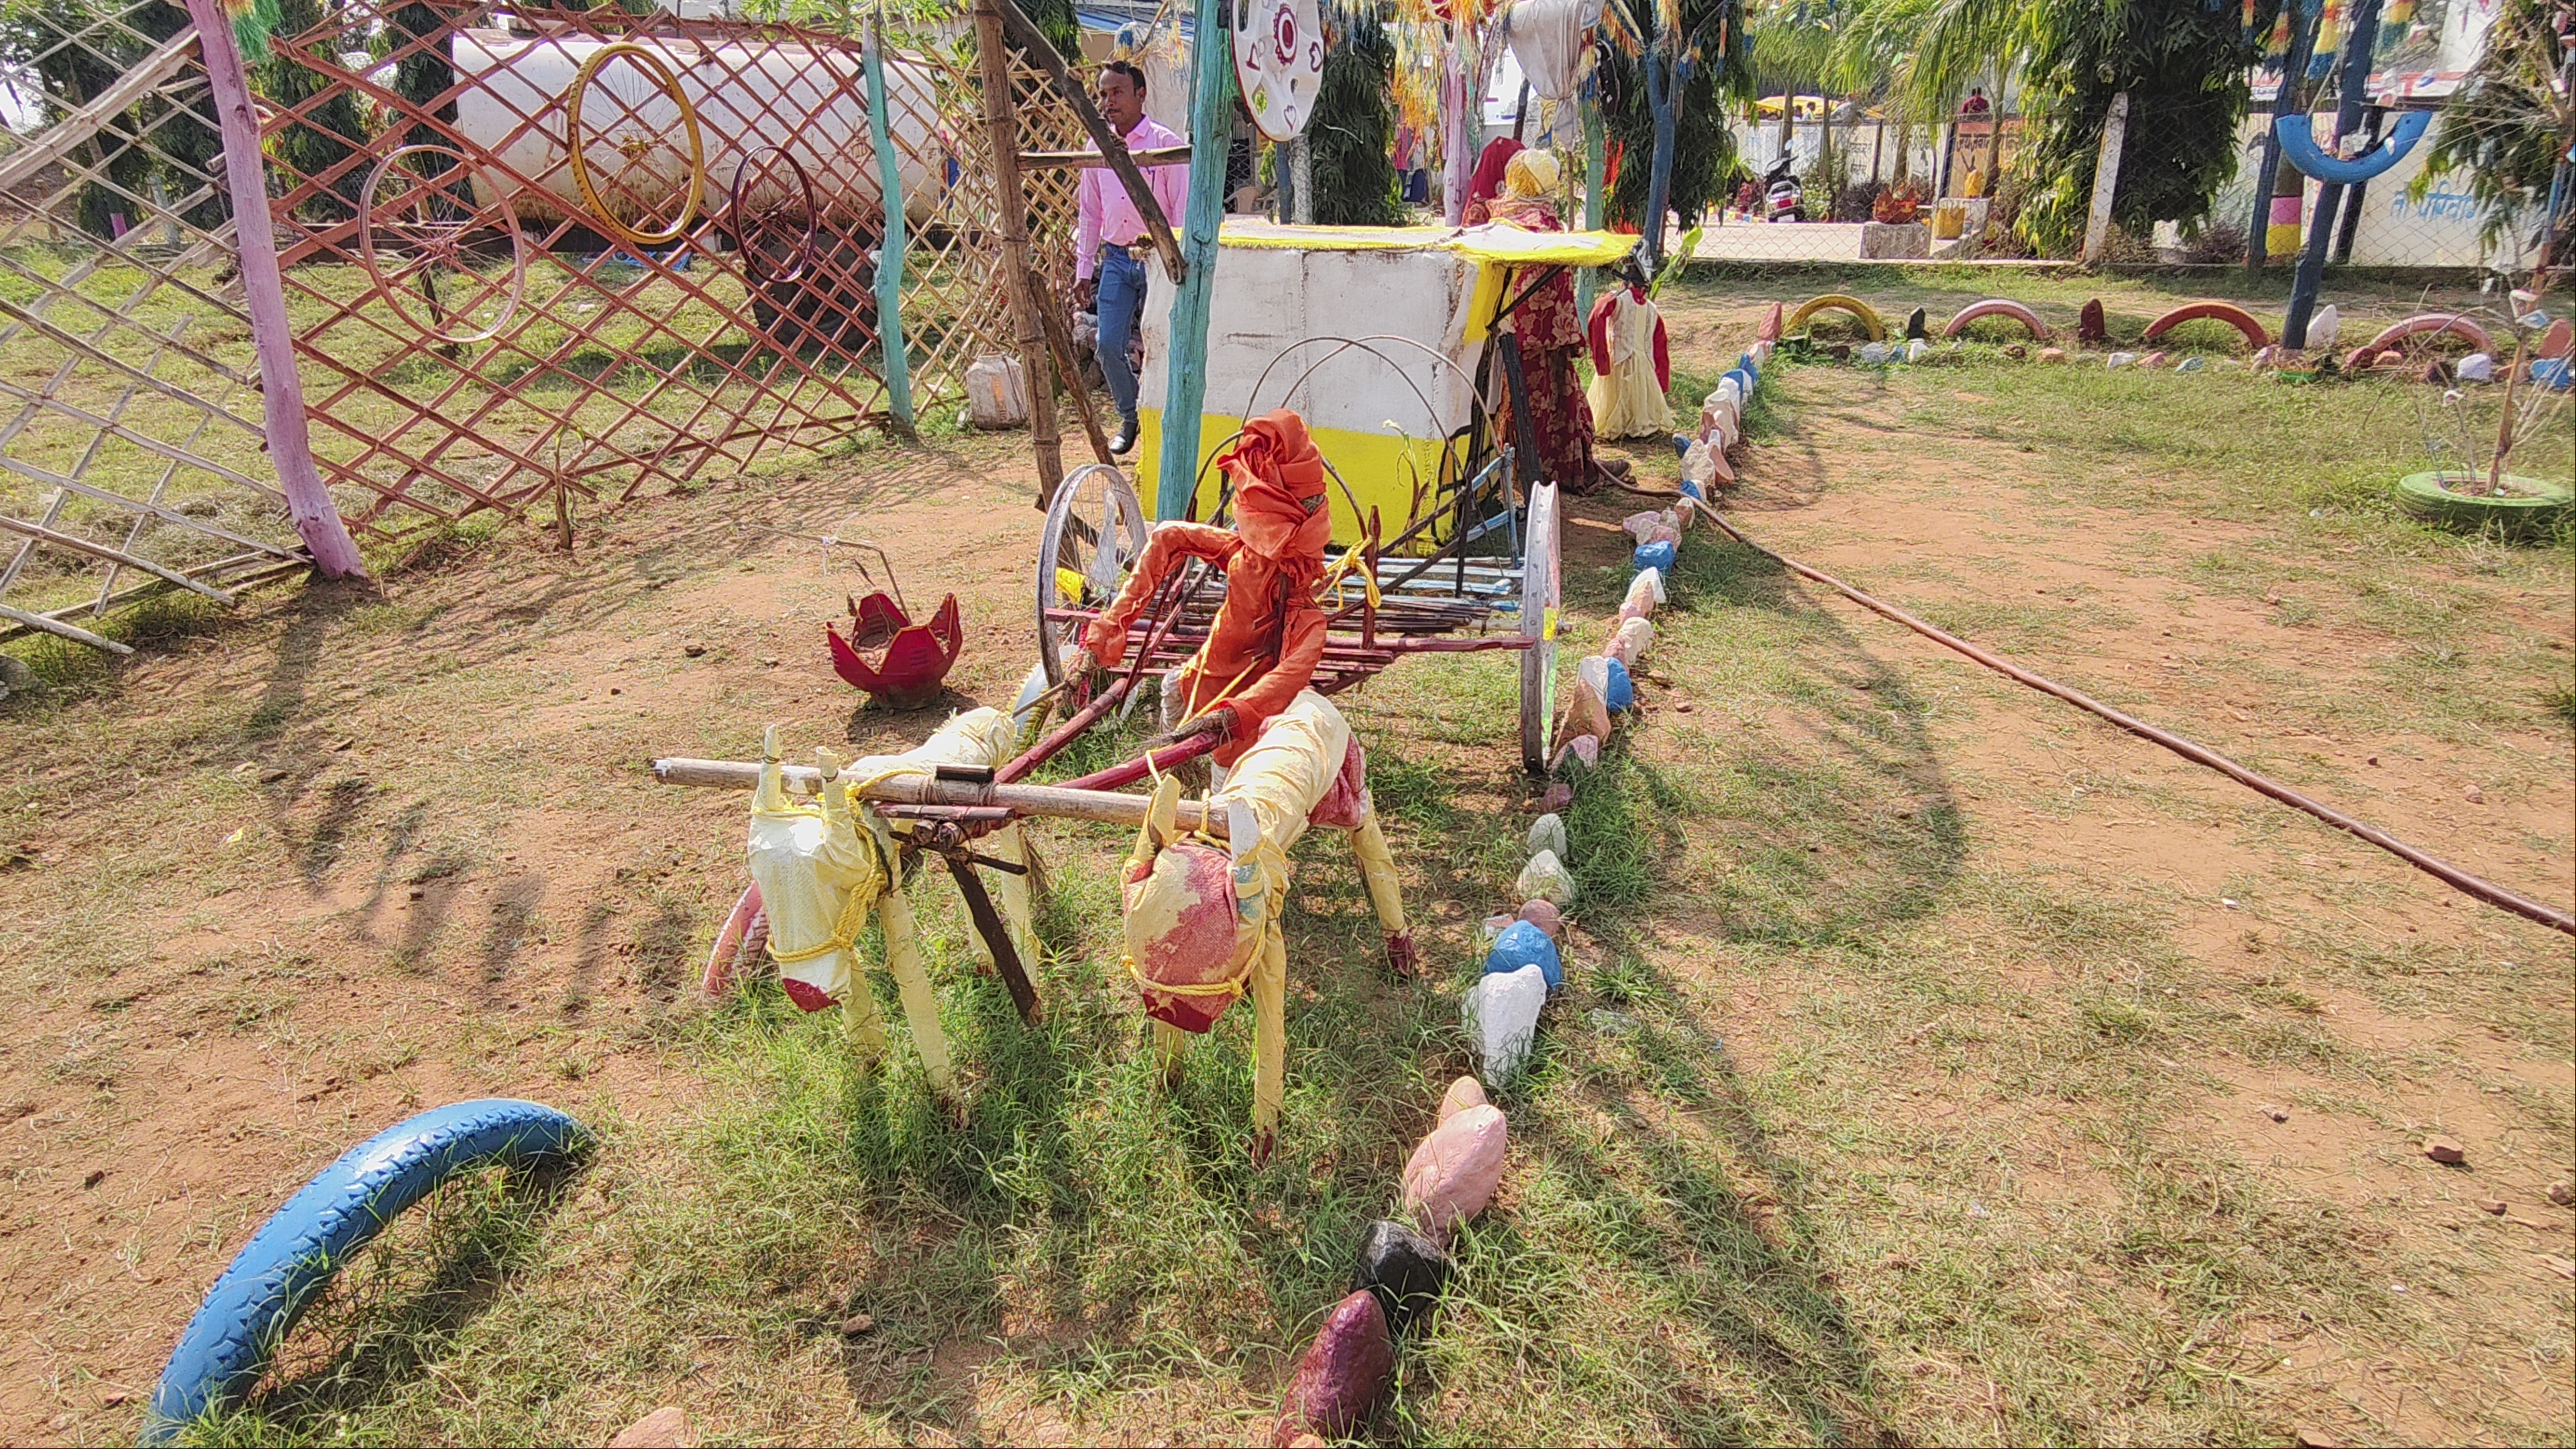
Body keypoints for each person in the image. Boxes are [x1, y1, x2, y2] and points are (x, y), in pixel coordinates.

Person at [1468, 145, 1626, 493]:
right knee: (1546, 405)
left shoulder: (1492, 216)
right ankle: (1547, 475)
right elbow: (1556, 292)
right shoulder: (1544, 226)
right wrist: (1569, 335)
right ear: (1545, 184)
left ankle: (1502, 477)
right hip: (1538, 339)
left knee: (1495, 405)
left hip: (1490, 334)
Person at [1075, 60, 1187, 456]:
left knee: (1164, 342)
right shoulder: (1095, 146)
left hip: (1158, 258)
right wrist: (1083, 268)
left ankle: (1169, 421)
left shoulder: (1164, 144)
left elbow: (1181, 211)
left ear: (1141, 94)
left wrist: (1175, 264)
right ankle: (1131, 416)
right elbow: (1089, 212)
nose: (1108, 102)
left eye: (1117, 92)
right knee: (1108, 344)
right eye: (1103, 94)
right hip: (1118, 260)